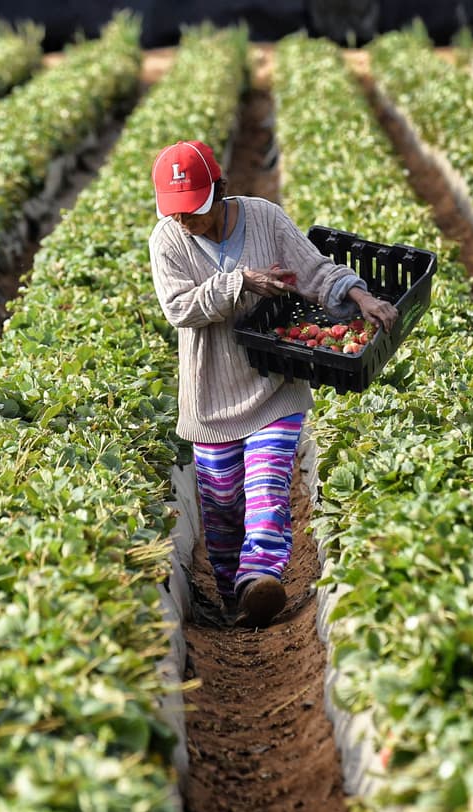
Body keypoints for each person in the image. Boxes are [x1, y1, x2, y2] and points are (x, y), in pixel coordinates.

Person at [148, 140, 397, 628]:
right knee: (220, 508)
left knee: (266, 487)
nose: (184, 221)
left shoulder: (264, 218)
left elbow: (315, 269)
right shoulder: (167, 241)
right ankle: (230, 594)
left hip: (273, 387)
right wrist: (241, 282)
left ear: (219, 191)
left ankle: (259, 577)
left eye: (193, 210)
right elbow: (178, 308)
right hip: (211, 394)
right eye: (175, 212)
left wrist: (358, 295)